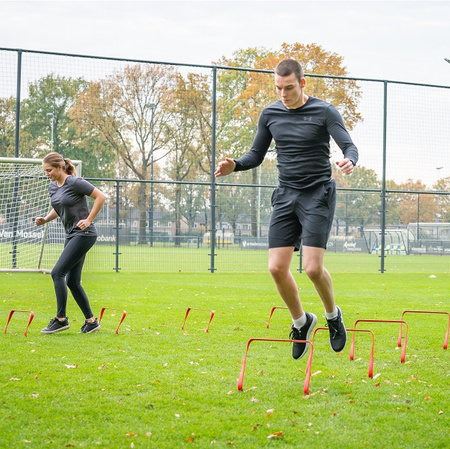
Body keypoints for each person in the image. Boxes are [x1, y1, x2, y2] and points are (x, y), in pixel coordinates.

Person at [215, 59, 359, 359]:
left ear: (303, 83)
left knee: (312, 268)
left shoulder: (324, 111)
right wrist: (235, 165)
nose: (283, 93)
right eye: (278, 88)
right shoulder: (270, 114)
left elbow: (349, 145)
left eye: (289, 87)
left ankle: (333, 316)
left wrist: (349, 160)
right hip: (286, 195)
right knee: (276, 267)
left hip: (317, 193)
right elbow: (255, 154)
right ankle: (301, 321)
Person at [36, 152, 106, 334]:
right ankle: (91, 322)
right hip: (72, 234)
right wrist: (45, 219)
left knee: (57, 273)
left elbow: (101, 197)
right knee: (73, 282)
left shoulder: (75, 182)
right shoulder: (53, 187)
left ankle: (61, 319)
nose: (47, 174)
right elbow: (59, 207)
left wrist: (89, 220)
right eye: (45, 171)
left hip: (84, 233)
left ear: (60, 167)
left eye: (49, 170)